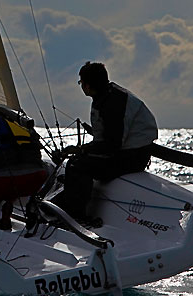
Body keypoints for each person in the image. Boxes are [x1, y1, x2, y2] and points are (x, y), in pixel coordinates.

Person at [51, 61, 158, 221]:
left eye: (81, 83)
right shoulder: (107, 96)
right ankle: (68, 202)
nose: (81, 86)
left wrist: (82, 150)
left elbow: (111, 145)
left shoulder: (114, 103)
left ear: (87, 86)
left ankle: (76, 216)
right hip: (129, 152)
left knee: (77, 165)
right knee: (78, 161)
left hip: (132, 158)